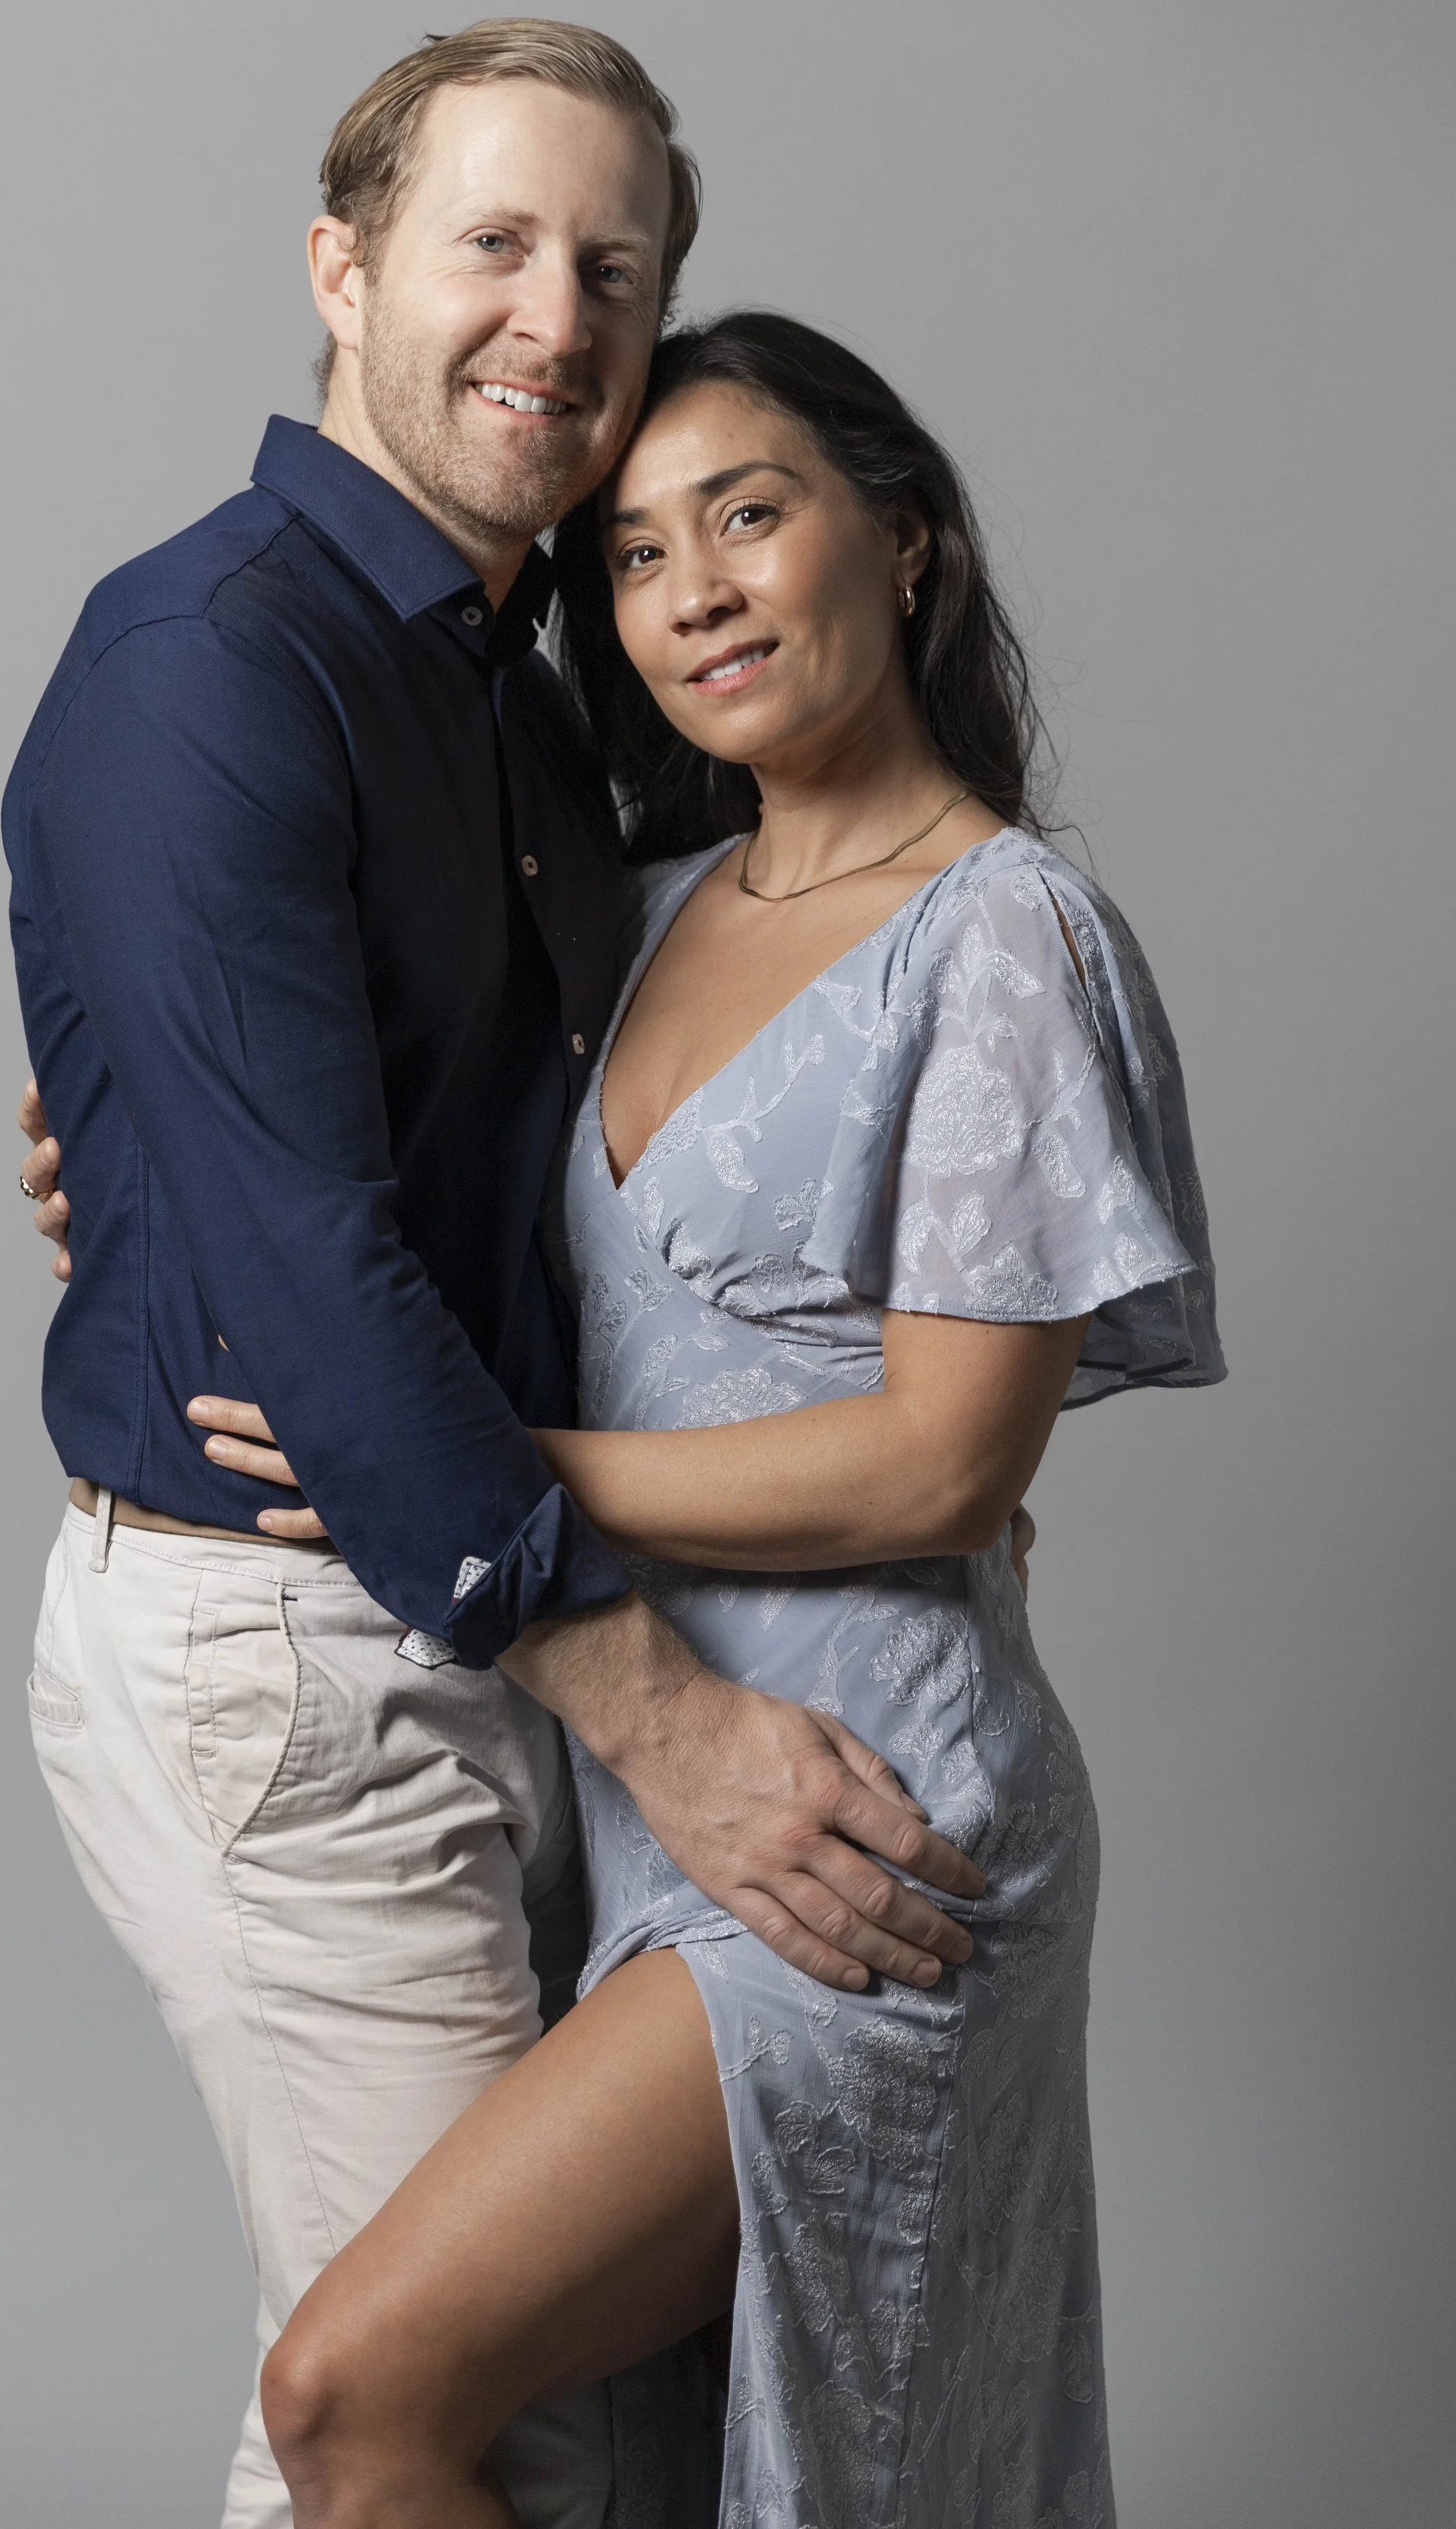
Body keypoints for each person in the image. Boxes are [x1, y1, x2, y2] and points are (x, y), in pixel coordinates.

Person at [3, 26, 986, 2529]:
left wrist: (134, 1162)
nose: (557, 312)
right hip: (294, 1651)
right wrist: (669, 1720)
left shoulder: (526, 686)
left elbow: (548, 1144)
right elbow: (315, 1272)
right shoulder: (209, 659)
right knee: (454, 2410)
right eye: (492, 242)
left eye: (612, 264)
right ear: (339, 272)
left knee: (470, 2398)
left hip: (468, 1607)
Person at [184, 316, 1225, 2528]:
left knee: (358, 2401)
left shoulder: (1000, 930)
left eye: (749, 515)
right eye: (635, 556)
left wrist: (467, 1472)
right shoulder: (629, 921)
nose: (695, 594)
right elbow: (319, 1127)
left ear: (905, 538)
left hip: (872, 1831)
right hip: (630, 1790)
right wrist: (110, 1130)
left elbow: (946, 1464)